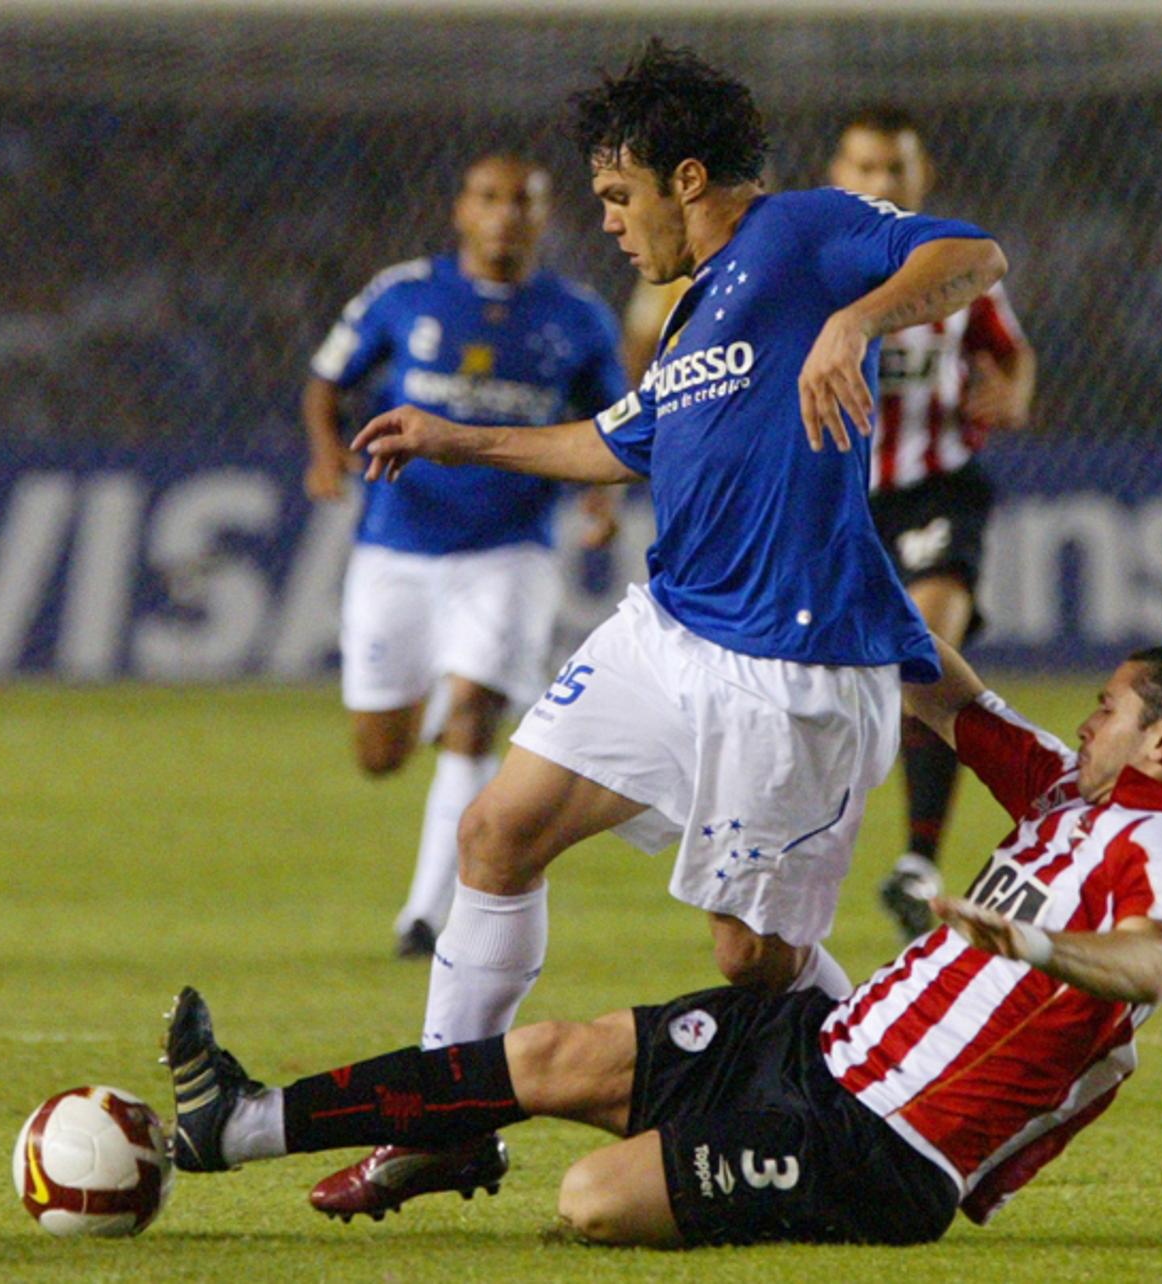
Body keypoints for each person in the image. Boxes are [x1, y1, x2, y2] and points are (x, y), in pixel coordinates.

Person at [294, 41, 1006, 1219]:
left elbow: (971, 254)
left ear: (685, 177)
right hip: (667, 635)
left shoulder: (800, 233)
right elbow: (614, 446)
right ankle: (446, 1124)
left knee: (754, 965)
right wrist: (449, 434)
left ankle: (890, 1093)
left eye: (618, 198)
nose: (611, 225)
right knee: (496, 831)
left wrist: (853, 325)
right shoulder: (692, 315)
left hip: (788, 668)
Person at [162, 529, 1162, 1245]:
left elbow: (1153, 958)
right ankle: (239, 1123)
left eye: (1112, 707)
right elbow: (950, 699)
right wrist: (833, 544)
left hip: (885, 1154)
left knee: (591, 1201)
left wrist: (1039, 950)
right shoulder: (1065, 792)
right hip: (821, 1048)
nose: (1089, 716)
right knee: (553, 1055)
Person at [302, 154, 626, 960]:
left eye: (525, 201)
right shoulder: (404, 293)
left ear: (545, 218)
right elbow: (325, 379)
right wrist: (322, 451)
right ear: (460, 210)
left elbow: (614, 418)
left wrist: (601, 498)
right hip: (397, 546)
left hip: (509, 552)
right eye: (490, 198)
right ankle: (441, 707)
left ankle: (424, 916)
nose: (506, 214)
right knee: (379, 754)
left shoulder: (578, 317)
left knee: (476, 719)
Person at [827, 105, 1039, 942]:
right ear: (838, 175)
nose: (882, 184)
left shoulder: (952, 272)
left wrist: (1012, 394)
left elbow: (1012, 351)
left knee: (929, 638)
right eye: (867, 168)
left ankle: (917, 861)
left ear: (923, 178)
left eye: (897, 170)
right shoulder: (813, 271)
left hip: (937, 488)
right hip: (836, 501)